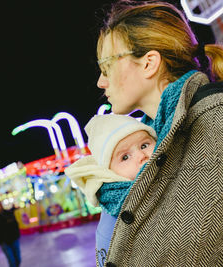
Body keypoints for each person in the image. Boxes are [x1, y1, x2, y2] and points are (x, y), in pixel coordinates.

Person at [94, 1, 223, 265]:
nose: (100, 82)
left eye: (107, 67)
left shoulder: (214, 128)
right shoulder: (152, 141)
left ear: (148, 63)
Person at [65, 114, 157, 267]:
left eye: (144, 145)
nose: (142, 156)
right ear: (109, 173)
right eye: (125, 157)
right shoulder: (114, 213)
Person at [0, 201, 21, 267]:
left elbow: (15, 224)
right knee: (11, 261)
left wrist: (17, 235)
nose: (1, 206)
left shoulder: (8, 213)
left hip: (13, 239)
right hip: (4, 242)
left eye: (1, 204)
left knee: (18, 259)